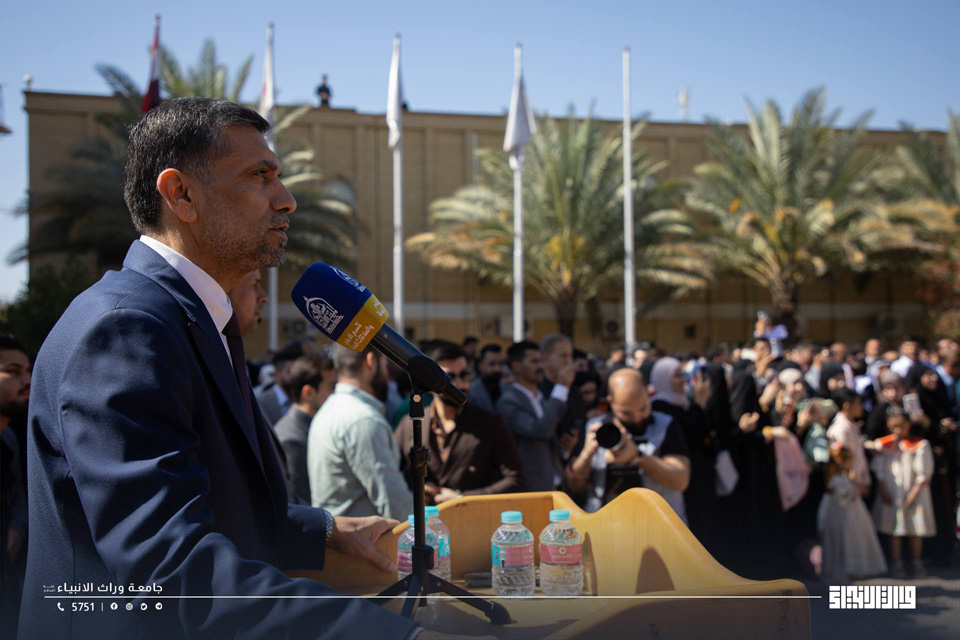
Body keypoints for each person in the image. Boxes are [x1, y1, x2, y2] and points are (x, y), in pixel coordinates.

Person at [18, 99, 428, 640]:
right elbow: (174, 568)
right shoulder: (124, 330)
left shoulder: (190, 318)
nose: (287, 199)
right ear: (181, 194)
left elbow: (213, 502)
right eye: (260, 175)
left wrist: (323, 530)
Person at [395, 341, 526, 504]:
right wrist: (417, 488)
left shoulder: (490, 422)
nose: (459, 384)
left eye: (465, 375)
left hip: (472, 517)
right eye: (449, 378)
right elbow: (389, 473)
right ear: (429, 380)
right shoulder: (410, 425)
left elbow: (516, 480)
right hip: (425, 518)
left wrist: (462, 498)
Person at [565, 369, 690, 519]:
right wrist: (587, 455)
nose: (637, 418)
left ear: (648, 394)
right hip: (605, 523)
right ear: (611, 402)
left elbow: (680, 480)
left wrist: (637, 457)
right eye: (626, 413)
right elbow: (574, 486)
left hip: (657, 524)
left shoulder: (666, 424)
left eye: (642, 408)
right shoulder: (595, 428)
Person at [308, 345, 413, 521]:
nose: (387, 374)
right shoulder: (363, 419)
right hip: (363, 537)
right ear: (371, 362)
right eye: (385, 364)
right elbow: (396, 505)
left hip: (340, 534)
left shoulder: (330, 408)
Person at [648, 357, 718, 550]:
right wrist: (699, 404)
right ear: (663, 378)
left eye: (682, 374)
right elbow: (692, 435)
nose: (683, 380)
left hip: (699, 475)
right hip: (679, 478)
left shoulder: (685, 404)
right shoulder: (659, 407)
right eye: (677, 375)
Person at [497, 340, 572, 491]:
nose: (540, 367)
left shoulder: (540, 397)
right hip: (531, 486)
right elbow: (539, 431)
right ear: (516, 366)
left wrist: (565, 447)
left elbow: (548, 434)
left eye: (541, 361)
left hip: (554, 482)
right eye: (534, 361)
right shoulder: (508, 402)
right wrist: (562, 386)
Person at [870, 407, 936, 578]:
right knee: (894, 528)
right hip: (892, 493)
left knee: (915, 530)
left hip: (914, 493)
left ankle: (917, 562)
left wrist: (914, 493)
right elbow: (878, 468)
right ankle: (896, 562)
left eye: (901, 426)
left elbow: (924, 472)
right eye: (893, 427)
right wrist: (883, 489)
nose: (897, 431)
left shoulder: (919, 445)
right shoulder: (885, 446)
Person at [817, 443, 887, 581]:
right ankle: (846, 568)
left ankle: (858, 567)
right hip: (843, 515)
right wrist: (854, 485)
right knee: (846, 539)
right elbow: (845, 499)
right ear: (840, 461)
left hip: (853, 513)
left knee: (856, 537)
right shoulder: (836, 481)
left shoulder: (844, 478)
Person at [273, 353, 337, 503]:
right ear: (308, 393)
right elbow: (299, 501)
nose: (336, 394)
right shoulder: (292, 439)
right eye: (332, 387)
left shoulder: (312, 426)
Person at [1, 335, 30, 639]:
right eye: (12, 371)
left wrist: (15, 532)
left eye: (27, 371)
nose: (26, 381)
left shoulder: (11, 440)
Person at [538, 334, 583, 462]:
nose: (569, 361)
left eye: (570, 356)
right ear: (545, 359)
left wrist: (575, 440)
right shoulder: (537, 391)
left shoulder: (574, 391)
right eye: (563, 356)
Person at [469, 343, 506, 412]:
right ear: (480, 366)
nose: (497, 369)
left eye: (500, 364)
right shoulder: (471, 392)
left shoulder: (507, 389)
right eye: (492, 364)